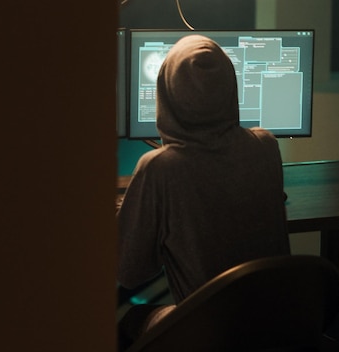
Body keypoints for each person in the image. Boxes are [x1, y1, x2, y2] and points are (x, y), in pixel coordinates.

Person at [116, 34, 290, 348]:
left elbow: (130, 272)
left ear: (166, 93)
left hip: (210, 331)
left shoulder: (160, 167)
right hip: (274, 323)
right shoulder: (266, 145)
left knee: (121, 317)